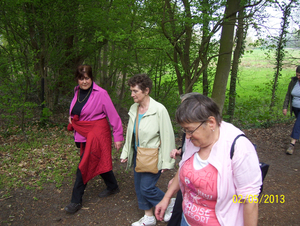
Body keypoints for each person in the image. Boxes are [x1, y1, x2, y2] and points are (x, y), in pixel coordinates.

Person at [155, 94, 262, 226]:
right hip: (187, 220)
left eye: (190, 130)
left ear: (211, 123)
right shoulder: (195, 139)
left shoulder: (239, 148)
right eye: (185, 131)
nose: (187, 137)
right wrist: (166, 197)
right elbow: (184, 166)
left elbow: (250, 201)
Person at [64, 65, 124, 214]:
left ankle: (75, 201)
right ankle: (113, 186)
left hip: (97, 133)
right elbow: (76, 109)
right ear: (77, 79)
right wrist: (71, 118)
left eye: (87, 78)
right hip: (83, 132)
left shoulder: (101, 93)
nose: (84, 81)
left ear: (91, 78)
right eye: (81, 78)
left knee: (83, 165)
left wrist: (118, 136)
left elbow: (113, 115)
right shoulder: (76, 91)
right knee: (97, 158)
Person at [120, 74, 176, 226]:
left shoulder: (159, 110)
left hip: (153, 155)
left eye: (135, 91)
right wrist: (126, 153)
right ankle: (149, 217)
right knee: (139, 187)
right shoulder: (134, 108)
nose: (132, 94)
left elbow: (167, 136)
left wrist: (167, 161)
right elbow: (130, 134)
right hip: (138, 154)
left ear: (146, 91)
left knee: (147, 188)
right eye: (131, 91)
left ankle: (169, 203)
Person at [283, 65, 300, 155]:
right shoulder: (293, 82)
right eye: (297, 75)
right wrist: (285, 107)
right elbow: (288, 95)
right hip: (295, 107)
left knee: (298, 124)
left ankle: (291, 144)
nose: (298, 77)